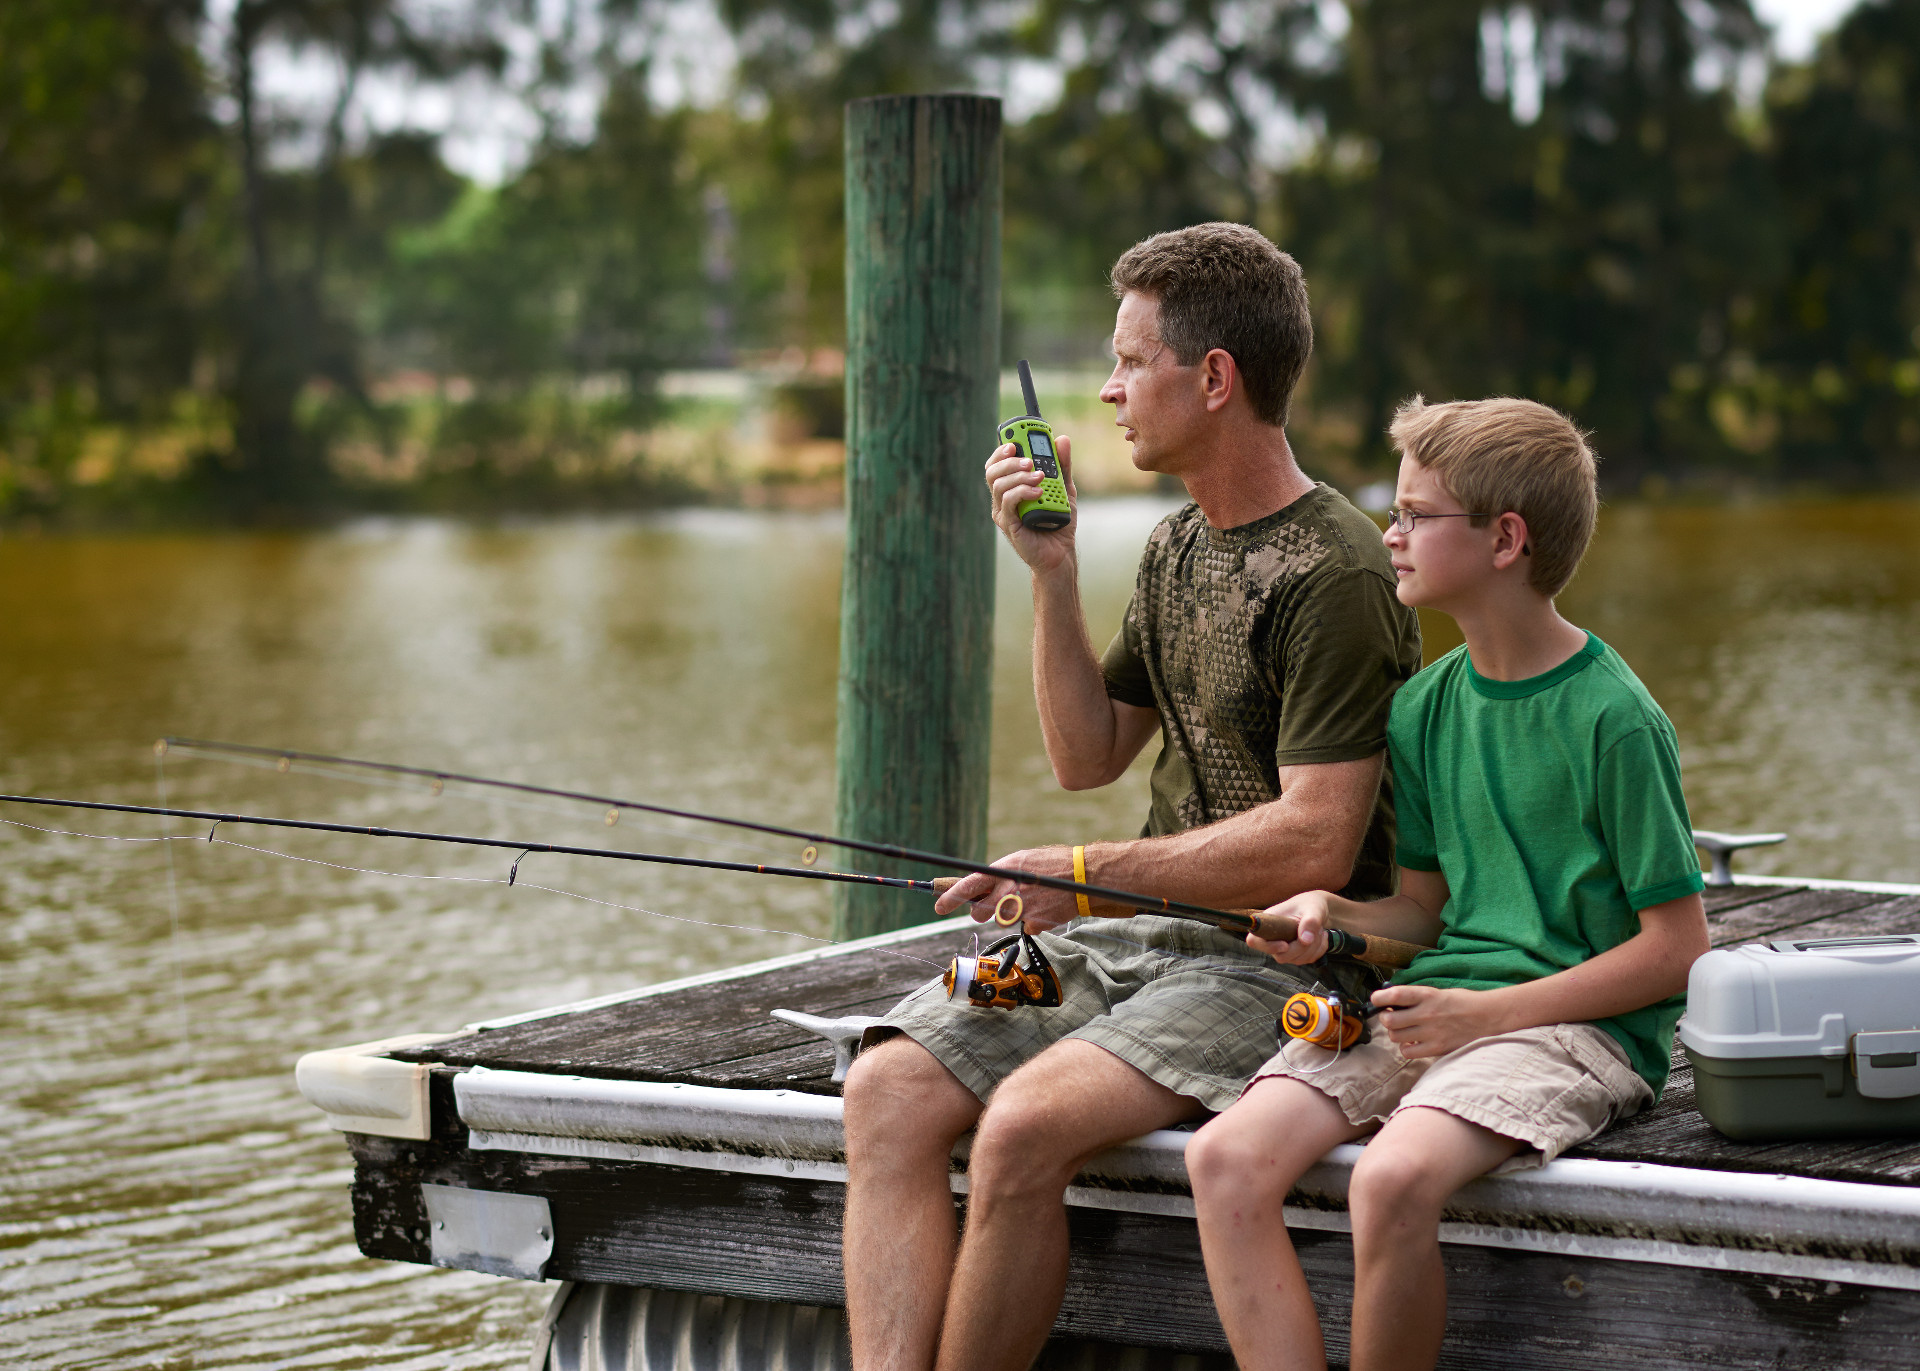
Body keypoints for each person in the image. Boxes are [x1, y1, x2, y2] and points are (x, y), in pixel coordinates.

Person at [839, 222, 1422, 1371]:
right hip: (1141, 938)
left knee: (1021, 1130)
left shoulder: (1335, 572)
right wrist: (1051, 576)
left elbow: (1318, 834)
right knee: (887, 1090)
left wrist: (1087, 876)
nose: (1106, 392)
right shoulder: (1170, 548)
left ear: (1213, 379)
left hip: (1285, 961)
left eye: (1129, 362)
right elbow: (1086, 754)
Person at [1186, 396, 1712, 1371]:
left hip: (1574, 1030)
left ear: (1505, 538)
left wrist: (1491, 1015)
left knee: (1387, 1181)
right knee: (1223, 1159)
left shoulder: (1615, 720)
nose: (1390, 533)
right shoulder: (1424, 710)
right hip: (1444, 1004)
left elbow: (1677, 950)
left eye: (1416, 515)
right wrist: (1330, 918)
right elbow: (1421, 914)